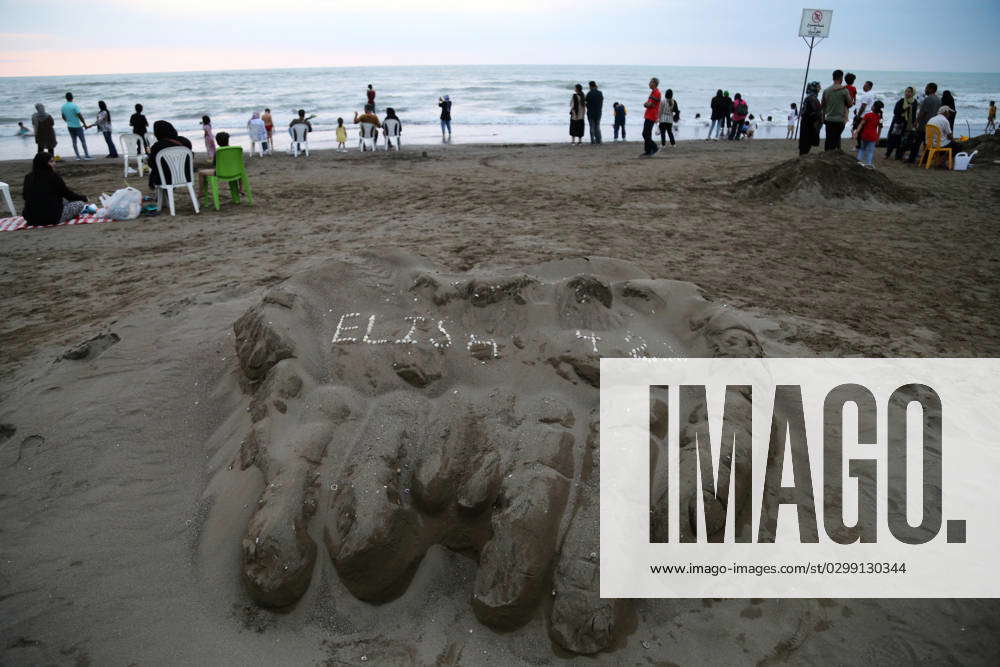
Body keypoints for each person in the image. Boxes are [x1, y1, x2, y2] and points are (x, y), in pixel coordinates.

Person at [22, 152, 87, 226]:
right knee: (80, 203)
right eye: (51, 161)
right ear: (44, 163)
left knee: (63, 200)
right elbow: (67, 194)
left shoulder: (28, 177)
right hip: (52, 217)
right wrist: (83, 198)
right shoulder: (53, 176)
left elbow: (25, 196)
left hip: (30, 218)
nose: (54, 163)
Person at [148, 120, 193, 191]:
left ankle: (154, 187)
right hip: (186, 177)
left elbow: (151, 164)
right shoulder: (185, 141)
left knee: (156, 169)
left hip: (165, 179)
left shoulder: (157, 146)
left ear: (157, 133)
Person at [906, 83, 941, 164]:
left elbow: (922, 112)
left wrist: (916, 121)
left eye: (926, 88)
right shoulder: (939, 100)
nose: (925, 90)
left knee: (916, 143)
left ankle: (911, 159)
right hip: (933, 126)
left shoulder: (927, 99)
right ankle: (925, 160)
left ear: (931, 89)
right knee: (927, 144)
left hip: (924, 125)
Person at [821, 70, 853, 151]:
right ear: (841, 78)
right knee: (836, 140)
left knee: (829, 140)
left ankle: (827, 155)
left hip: (829, 119)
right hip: (840, 120)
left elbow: (822, 106)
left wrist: (823, 117)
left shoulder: (826, 90)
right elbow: (850, 104)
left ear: (833, 78)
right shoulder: (844, 90)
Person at [885, 87, 918, 160]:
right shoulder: (901, 101)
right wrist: (905, 108)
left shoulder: (914, 102)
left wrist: (914, 122)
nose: (907, 93)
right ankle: (888, 153)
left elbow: (914, 114)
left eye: (909, 92)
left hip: (908, 124)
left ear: (913, 93)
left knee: (903, 141)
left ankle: (898, 155)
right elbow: (895, 112)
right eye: (906, 91)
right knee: (893, 139)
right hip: (899, 122)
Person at [196, 131, 231, 196]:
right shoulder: (234, 150)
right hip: (234, 171)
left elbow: (214, 164)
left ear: (217, 142)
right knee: (241, 171)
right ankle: (240, 188)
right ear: (228, 140)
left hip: (220, 172)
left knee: (200, 172)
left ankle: (201, 192)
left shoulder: (218, 152)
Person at [61, 92, 92, 160]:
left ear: (66, 98)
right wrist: (84, 124)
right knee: (83, 141)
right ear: (72, 97)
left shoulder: (63, 107)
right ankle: (86, 155)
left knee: (74, 141)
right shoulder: (74, 106)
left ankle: (78, 156)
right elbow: (80, 115)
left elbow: (63, 116)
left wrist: (68, 121)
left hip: (69, 126)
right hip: (77, 126)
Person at [853, 100, 884, 168]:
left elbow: (861, 124)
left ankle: (858, 162)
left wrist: (856, 132)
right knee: (870, 151)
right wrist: (878, 138)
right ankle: (868, 164)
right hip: (873, 136)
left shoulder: (867, 115)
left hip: (865, 135)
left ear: (874, 107)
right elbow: (880, 128)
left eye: (873, 105)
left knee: (862, 149)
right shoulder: (880, 118)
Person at [798, 81, 823, 156]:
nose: (820, 88)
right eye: (818, 87)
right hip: (809, 124)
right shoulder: (812, 98)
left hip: (807, 123)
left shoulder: (810, 97)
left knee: (805, 143)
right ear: (814, 88)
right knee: (806, 144)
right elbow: (813, 113)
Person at [640, 77, 661, 157]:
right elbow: (648, 103)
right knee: (647, 134)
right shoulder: (653, 92)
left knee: (645, 133)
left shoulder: (656, 92)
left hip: (652, 115)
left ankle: (655, 148)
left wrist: (646, 104)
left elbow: (650, 104)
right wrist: (646, 104)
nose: (649, 83)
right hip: (649, 114)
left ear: (654, 84)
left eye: (651, 82)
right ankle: (648, 151)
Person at [852, 80, 875, 146]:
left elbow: (863, 106)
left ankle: (860, 145)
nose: (863, 87)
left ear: (870, 87)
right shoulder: (871, 94)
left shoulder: (866, 95)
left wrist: (858, 115)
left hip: (863, 115)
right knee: (863, 130)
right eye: (864, 85)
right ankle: (862, 144)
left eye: (865, 86)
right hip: (868, 114)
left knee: (859, 131)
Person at [585, 81, 604, 145]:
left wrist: (587, 107)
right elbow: (601, 102)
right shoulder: (600, 93)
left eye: (589, 86)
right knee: (597, 126)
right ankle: (599, 140)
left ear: (590, 86)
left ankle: (592, 140)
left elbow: (586, 103)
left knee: (592, 126)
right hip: (598, 112)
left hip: (590, 112)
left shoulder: (589, 93)